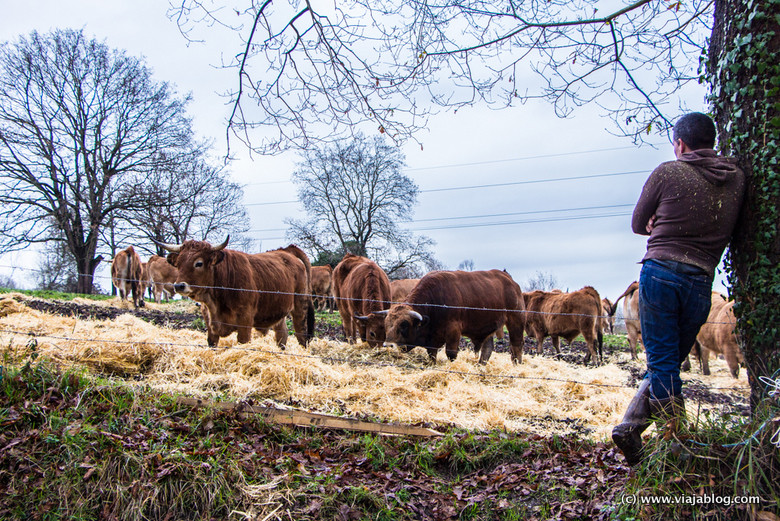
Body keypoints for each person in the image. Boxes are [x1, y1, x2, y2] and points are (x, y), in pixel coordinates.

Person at [612, 112, 746, 466]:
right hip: (701, 281)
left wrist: (659, 221)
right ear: (712, 142)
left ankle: (676, 444)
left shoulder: (667, 172)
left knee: (663, 364)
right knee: (667, 363)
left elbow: (638, 223)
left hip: (660, 276)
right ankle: (630, 428)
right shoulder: (736, 179)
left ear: (680, 145)